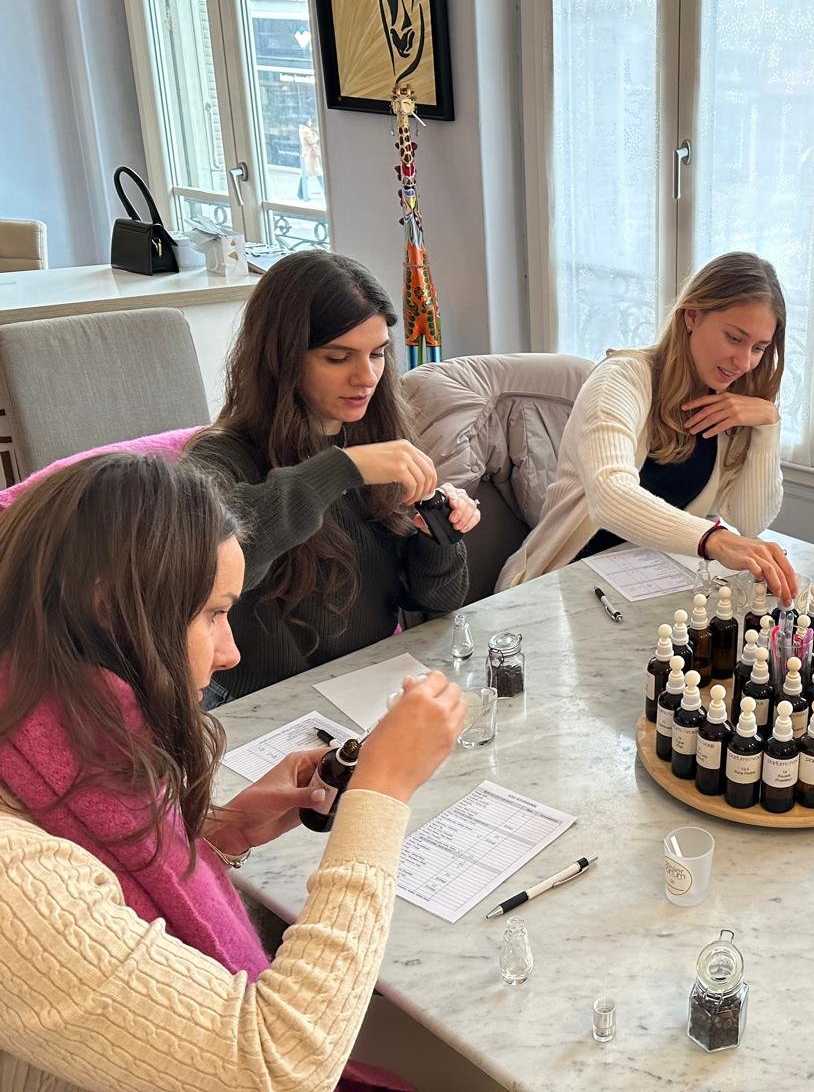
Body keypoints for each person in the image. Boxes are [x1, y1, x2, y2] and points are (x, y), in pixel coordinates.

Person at [0, 453, 466, 1090]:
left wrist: (221, 833)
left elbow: (103, 898)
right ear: (112, 611)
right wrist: (382, 794)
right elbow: (278, 1068)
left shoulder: (58, 735)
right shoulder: (13, 877)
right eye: (213, 614)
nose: (230, 652)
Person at [186, 250, 478, 702]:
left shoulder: (377, 434)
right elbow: (214, 560)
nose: (367, 377)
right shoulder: (217, 459)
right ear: (282, 360)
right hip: (266, 711)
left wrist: (436, 537)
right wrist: (344, 469)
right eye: (338, 358)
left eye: (378, 354)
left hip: (369, 690)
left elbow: (439, 602)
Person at [498, 251, 797, 601]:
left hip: (650, 589)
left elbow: (751, 521)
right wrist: (711, 538)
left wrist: (767, 426)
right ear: (692, 315)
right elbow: (609, 496)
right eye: (734, 338)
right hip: (557, 589)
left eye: (759, 348)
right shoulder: (621, 378)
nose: (744, 362)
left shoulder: (728, 402)